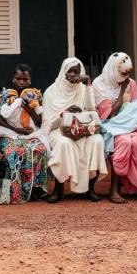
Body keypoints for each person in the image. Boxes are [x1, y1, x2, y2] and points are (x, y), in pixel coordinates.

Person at [43, 57, 107, 203]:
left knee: (97, 140)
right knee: (64, 143)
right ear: (63, 72)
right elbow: (48, 125)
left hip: (82, 130)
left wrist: (88, 83)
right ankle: (59, 190)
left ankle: (91, 189)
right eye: (69, 71)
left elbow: (92, 110)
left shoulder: (84, 89)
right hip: (58, 131)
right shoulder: (51, 92)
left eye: (76, 72)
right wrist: (64, 113)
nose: (72, 75)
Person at [93, 53, 137, 204]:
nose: (126, 76)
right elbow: (109, 114)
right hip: (109, 125)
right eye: (122, 72)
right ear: (113, 69)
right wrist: (122, 90)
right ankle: (114, 189)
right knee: (124, 142)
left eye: (127, 73)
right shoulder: (99, 84)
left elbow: (136, 106)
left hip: (130, 124)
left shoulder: (131, 83)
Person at [0, 64, 49, 204]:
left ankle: (36, 189)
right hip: (9, 133)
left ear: (30, 80)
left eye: (25, 79)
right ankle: (12, 192)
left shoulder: (35, 96)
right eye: (18, 78)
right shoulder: (6, 95)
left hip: (31, 133)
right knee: (11, 152)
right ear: (13, 79)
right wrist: (17, 130)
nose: (22, 82)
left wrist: (29, 109)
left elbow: (40, 121)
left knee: (39, 150)